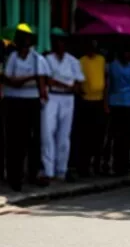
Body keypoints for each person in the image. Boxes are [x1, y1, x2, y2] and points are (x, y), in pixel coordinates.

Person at [2, 24, 50, 190]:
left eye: (28, 40)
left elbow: (41, 85)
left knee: (33, 140)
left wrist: (28, 81)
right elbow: (11, 81)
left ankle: (32, 174)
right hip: (13, 102)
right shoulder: (12, 58)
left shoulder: (38, 59)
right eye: (22, 39)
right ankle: (14, 177)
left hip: (31, 102)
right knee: (15, 140)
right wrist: (30, 78)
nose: (25, 43)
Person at [42, 28, 85, 182]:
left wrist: (65, 86)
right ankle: (48, 170)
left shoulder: (73, 61)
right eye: (56, 41)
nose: (59, 44)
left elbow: (78, 84)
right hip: (52, 97)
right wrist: (66, 85)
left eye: (61, 41)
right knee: (48, 133)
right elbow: (48, 81)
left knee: (64, 136)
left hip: (68, 99)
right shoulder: (47, 59)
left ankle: (61, 169)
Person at [75, 39, 107, 179]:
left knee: (98, 137)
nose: (92, 50)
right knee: (85, 137)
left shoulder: (101, 60)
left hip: (99, 101)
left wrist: (105, 103)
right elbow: (77, 80)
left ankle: (97, 166)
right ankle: (84, 167)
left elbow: (105, 81)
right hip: (86, 102)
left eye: (94, 47)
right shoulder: (81, 61)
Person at [107, 45, 130, 176]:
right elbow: (109, 85)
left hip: (129, 102)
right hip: (116, 102)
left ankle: (124, 164)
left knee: (127, 136)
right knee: (117, 136)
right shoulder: (113, 66)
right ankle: (116, 164)